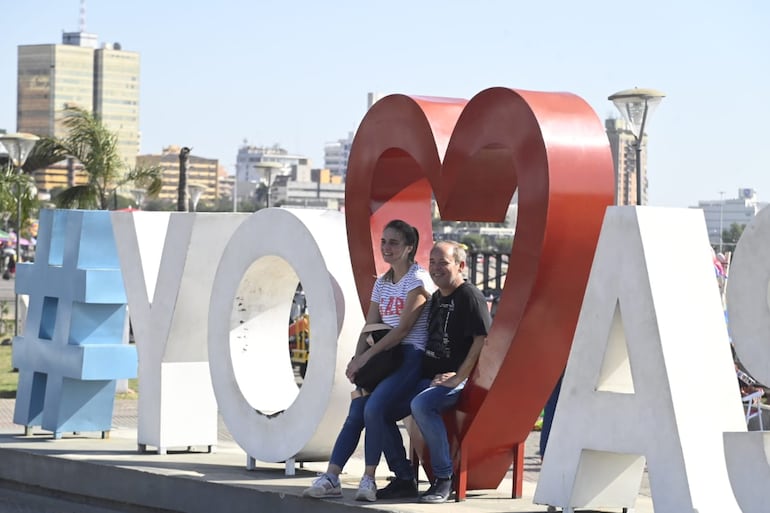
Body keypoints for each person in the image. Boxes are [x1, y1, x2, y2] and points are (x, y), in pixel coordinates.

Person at [303, 219, 434, 502]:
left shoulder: (418, 281)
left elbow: (402, 331)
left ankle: (369, 479)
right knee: (356, 413)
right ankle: (332, 476)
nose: (386, 247)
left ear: (409, 247)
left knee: (374, 409)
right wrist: (356, 358)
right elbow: (370, 325)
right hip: (381, 358)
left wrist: (366, 359)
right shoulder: (383, 282)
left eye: (394, 242)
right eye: (384, 241)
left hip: (407, 357)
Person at [402, 240, 492, 503]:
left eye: (444, 262)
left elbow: (481, 340)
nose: (436, 268)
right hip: (431, 377)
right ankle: (403, 478)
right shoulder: (437, 297)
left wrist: (458, 377)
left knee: (421, 405)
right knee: (376, 406)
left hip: (458, 381)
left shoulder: (469, 296)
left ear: (460, 265)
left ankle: (444, 479)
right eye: (432, 262)